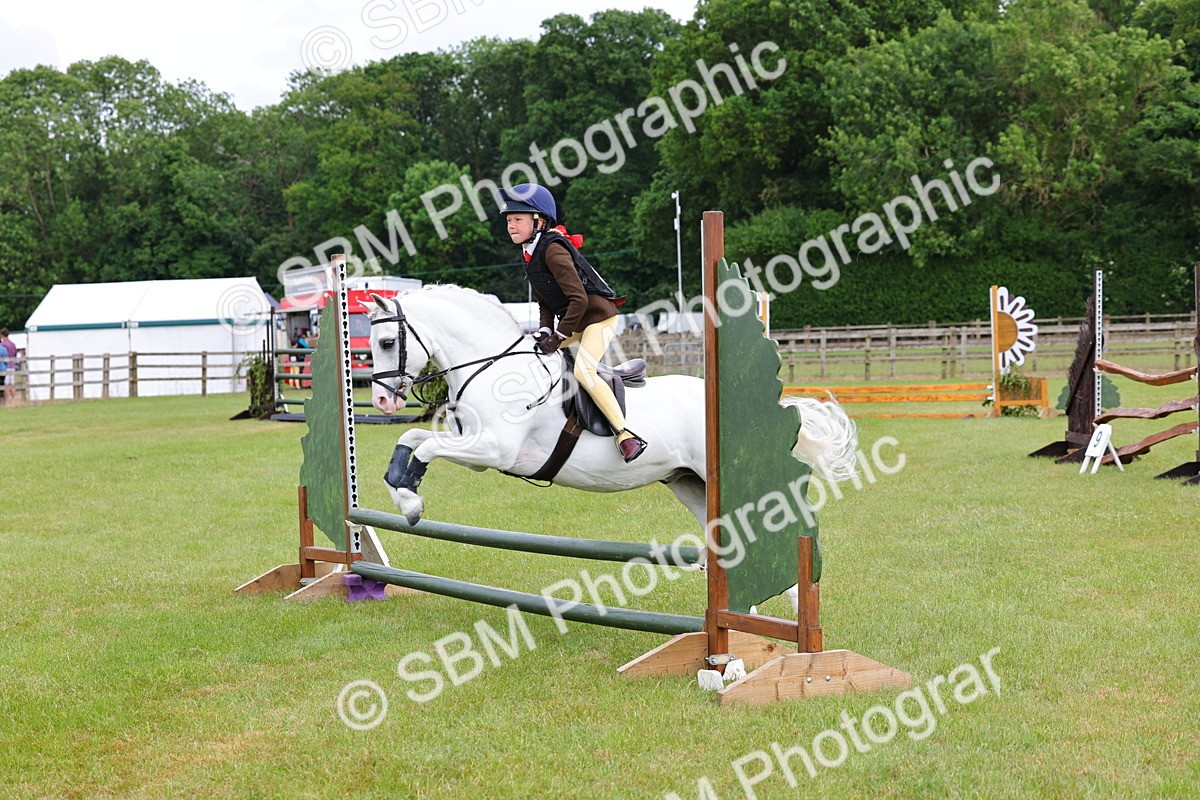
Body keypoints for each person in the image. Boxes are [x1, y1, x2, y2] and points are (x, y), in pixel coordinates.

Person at [499, 183, 648, 463]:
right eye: (509, 220)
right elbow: (545, 301)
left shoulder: (553, 250)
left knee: (584, 371)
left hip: (597, 319)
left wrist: (557, 336)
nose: (511, 225)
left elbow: (578, 300)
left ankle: (625, 435)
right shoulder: (530, 252)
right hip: (575, 321)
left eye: (518, 219)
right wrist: (544, 331)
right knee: (535, 356)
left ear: (539, 221)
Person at [0, 328, 15, 400]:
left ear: (2, 335)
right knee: (12, 383)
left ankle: (7, 399)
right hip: (12, 365)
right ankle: (13, 399)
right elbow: (14, 354)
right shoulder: (12, 344)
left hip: (5, 366)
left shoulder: (2, 345)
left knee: (5, 384)